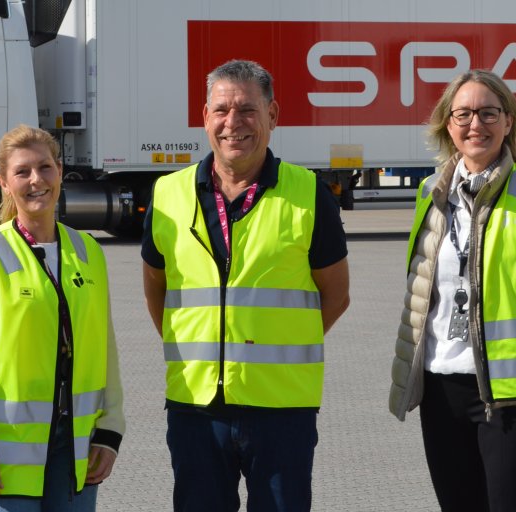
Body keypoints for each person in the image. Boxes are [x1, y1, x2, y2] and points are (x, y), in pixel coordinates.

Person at [141, 59, 350, 512]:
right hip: (195, 407)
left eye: (247, 110)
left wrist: (282, 344)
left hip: (281, 408)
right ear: (205, 117)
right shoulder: (167, 195)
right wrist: (203, 344)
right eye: (221, 110)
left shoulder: (310, 194)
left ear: (273, 115)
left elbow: (336, 295)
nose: (233, 123)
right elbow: (156, 288)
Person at [388, 69, 516, 512]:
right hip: (442, 393)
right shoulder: (430, 194)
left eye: (488, 113)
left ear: (508, 122)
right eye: (463, 114)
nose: (475, 124)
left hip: (514, 400)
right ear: (447, 124)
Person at [0, 125, 124, 512]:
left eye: (45, 167)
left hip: (77, 445)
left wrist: (112, 427)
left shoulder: (88, 250)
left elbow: (104, 342)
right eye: (22, 172)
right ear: (4, 183)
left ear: (60, 171)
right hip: (5, 453)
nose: (36, 180)